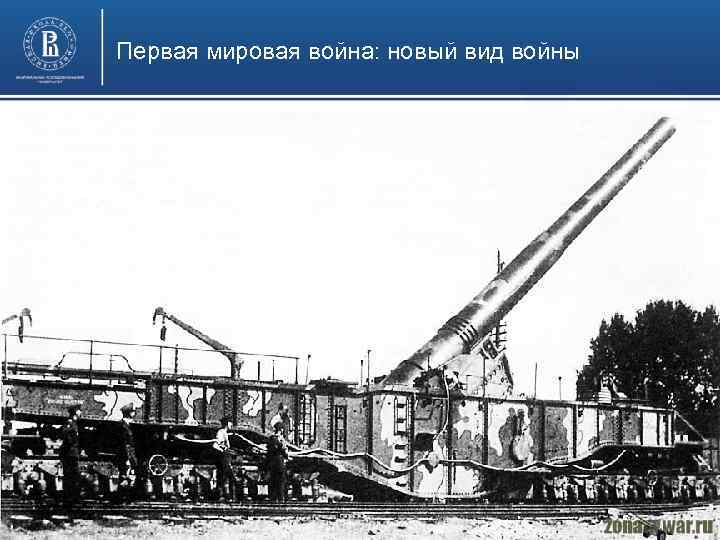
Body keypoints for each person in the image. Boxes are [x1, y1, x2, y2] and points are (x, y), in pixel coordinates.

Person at [59, 404, 82, 505]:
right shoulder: (70, 423)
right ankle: (70, 498)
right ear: (75, 412)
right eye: (79, 410)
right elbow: (67, 437)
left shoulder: (74, 423)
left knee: (73, 476)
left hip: (72, 454)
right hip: (69, 454)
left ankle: (72, 497)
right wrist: (72, 446)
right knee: (71, 476)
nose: (81, 412)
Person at [213, 415, 237, 501]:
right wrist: (225, 450)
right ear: (227, 423)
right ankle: (227, 496)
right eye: (230, 422)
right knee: (227, 476)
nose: (231, 424)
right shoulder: (221, 432)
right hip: (223, 457)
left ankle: (222, 495)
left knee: (223, 476)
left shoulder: (224, 432)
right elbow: (217, 444)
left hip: (225, 457)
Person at [117, 403, 138, 496]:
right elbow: (124, 442)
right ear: (128, 413)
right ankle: (123, 494)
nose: (134, 413)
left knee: (130, 474)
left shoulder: (129, 425)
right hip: (126, 453)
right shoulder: (121, 425)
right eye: (132, 411)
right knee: (125, 474)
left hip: (130, 453)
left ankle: (126, 494)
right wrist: (127, 458)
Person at [265, 422, 288, 502]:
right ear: (281, 430)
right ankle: (280, 499)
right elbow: (283, 450)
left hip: (272, 463)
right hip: (279, 463)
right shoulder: (279, 439)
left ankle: (273, 499)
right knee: (280, 482)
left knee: (273, 482)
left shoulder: (271, 439)